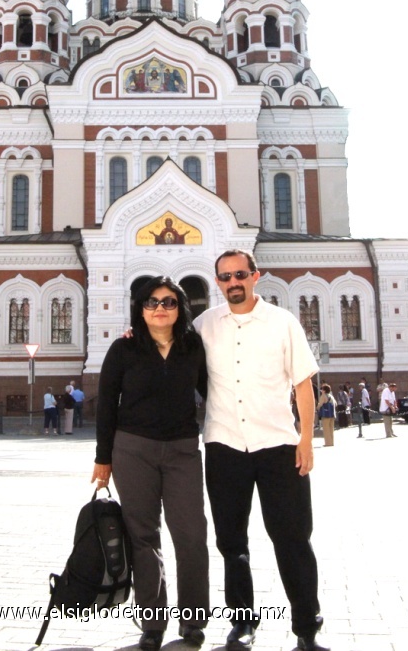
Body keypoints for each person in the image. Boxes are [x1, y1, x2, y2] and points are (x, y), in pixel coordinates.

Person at [194, 249, 328, 651]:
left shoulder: (282, 323)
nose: (232, 282)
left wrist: (306, 440)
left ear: (255, 275)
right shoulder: (204, 325)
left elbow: (303, 382)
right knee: (231, 542)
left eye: (240, 274)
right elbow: (163, 343)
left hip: (278, 447)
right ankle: (242, 624)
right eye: (225, 277)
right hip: (224, 446)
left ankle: (306, 629)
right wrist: (133, 333)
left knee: (293, 539)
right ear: (217, 282)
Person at [92, 276, 209, 651]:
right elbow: (107, 404)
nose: (160, 308)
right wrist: (102, 458)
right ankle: (152, 623)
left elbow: (215, 391)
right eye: (152, 302)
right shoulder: (123, 349)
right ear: (140, 308)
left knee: (191, 534)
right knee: (143, 537)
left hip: (182, 450)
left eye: (169, 302)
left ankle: (193, 621)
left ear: (180, 309)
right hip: (133, 449)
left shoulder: (193, 347)